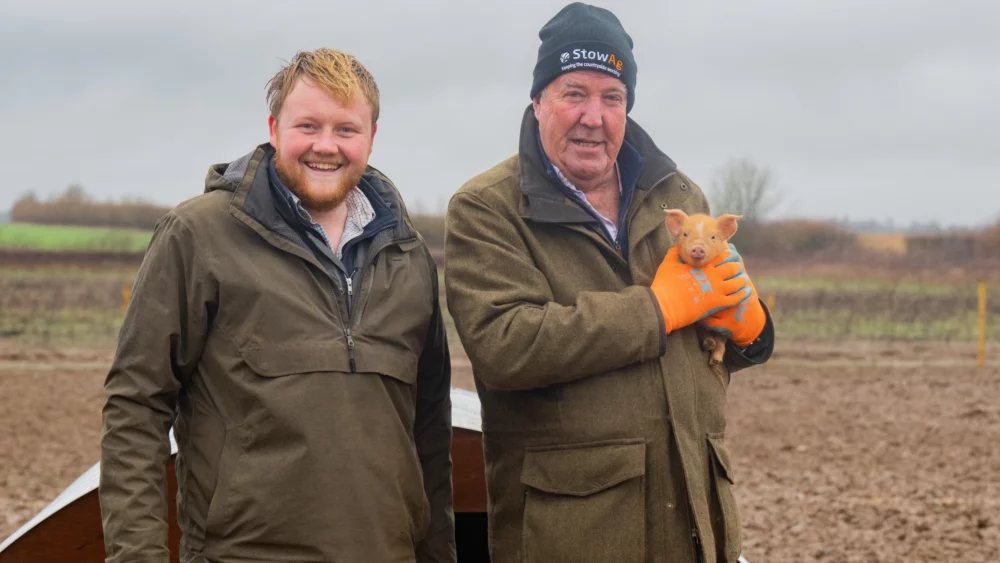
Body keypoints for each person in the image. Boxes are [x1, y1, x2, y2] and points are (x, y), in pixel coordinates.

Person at [444, 4, 774, 562]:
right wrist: (655, 311)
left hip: (697, 520)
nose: (592, 116)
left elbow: (701, 338)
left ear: (628, 107)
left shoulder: (679, 196)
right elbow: (507, 345)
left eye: (611, 97)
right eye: (574, 93)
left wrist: (749, 330)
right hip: (576, 532)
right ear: (538, 102)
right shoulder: (487, 208)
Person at [100, 48, 455, 563]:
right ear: (274, 127)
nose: (325, 146)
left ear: (372, 137)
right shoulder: (198, 237)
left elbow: (429, 432)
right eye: (307, 125)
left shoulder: (409, 257)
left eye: (346, 130)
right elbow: (135, 405)